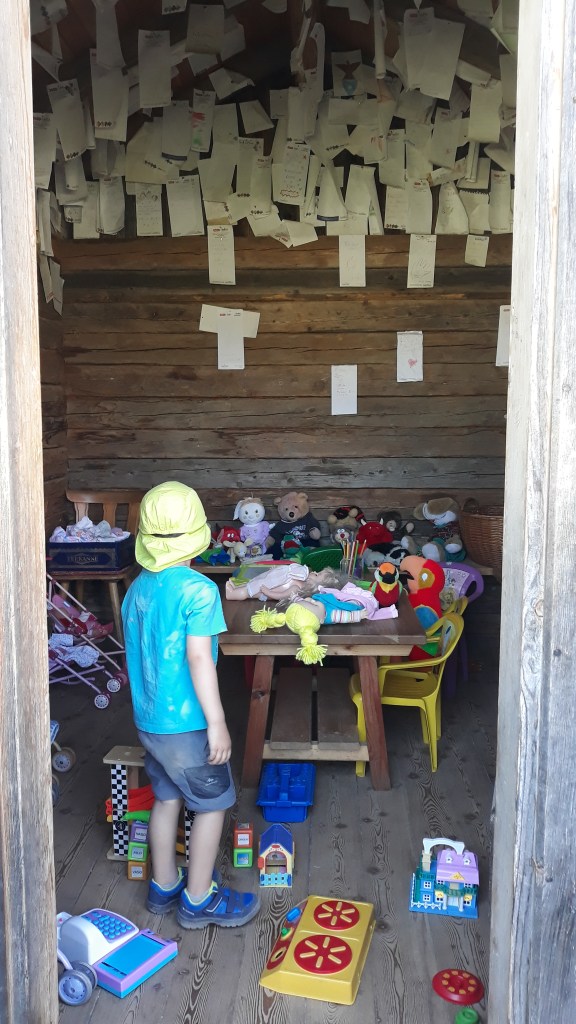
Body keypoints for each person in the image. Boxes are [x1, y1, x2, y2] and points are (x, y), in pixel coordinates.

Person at [121, 481, 260, 930]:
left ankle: (163, 885)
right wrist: (217, 722)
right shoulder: (199, 590)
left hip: (150, 722)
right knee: (213, 804)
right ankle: (199, 899)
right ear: (198, 535)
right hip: (186, 726)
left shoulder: (136, 589)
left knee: (166, 798)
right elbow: (199, 658)